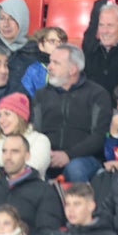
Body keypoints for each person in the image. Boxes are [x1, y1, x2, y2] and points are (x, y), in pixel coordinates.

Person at [32, 45, 111, 184]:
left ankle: (82, 204)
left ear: (73, 69)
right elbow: (35, 132)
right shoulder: (41, 95)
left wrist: (68, 155)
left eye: (56, 63)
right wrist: (46, 154)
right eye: (50, 62)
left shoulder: (97, 94)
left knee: (75, 169)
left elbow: (98, 137)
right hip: (46, 155)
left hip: (84, 158)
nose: (49, 67)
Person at [0, 131, 64, 235]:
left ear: (27, 156)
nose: (8, 157)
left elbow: (47, 233)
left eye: (14, 151)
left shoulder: (44, 191)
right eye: (4, 151)